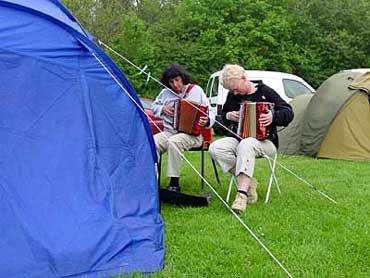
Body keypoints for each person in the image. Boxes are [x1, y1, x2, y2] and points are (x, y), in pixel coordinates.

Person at [208, 64, 293, 213]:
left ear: (244, 78)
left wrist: (273, 116)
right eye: (231, 90)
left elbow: (288, 112)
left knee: (247, 144)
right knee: (215, 148)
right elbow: (223, 118)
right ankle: (248, 181)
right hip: (239, 139)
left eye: (235, 88)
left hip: (266, 142)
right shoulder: (233, 96)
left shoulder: (266, 92)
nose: (234, 92)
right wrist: (228, 116)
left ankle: (241, 195)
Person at [152, 64, 214, 192]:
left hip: (193, 135)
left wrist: (207, 120)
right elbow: (154, 106)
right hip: (169, 131)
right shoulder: (165, 93)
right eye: (171, 82)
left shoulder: (196, 91)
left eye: (177, 80)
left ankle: (174, 183)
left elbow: (211, 111)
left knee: (174, 142)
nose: (175, 84)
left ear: (182, 78)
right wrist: (162, 108)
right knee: (152, 143)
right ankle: (152, 180)